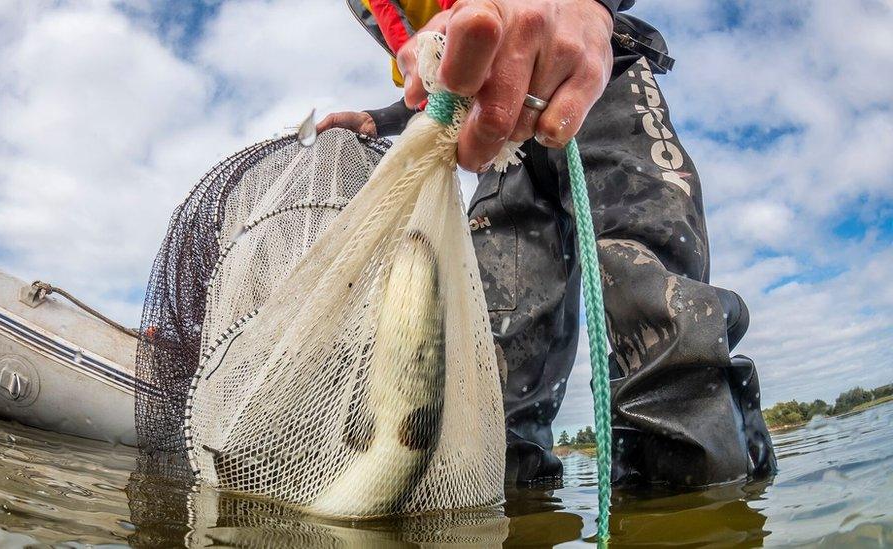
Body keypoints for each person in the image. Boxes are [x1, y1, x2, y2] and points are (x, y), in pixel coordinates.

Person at [320, 0, 777, 487]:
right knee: (496, 365)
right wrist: (379, 119)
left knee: (652, 302)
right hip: (504, 147)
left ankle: (703, 512)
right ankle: (513, 515)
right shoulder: (373, 6)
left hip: (597, 84)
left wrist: (591, 10)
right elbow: (438, 84)